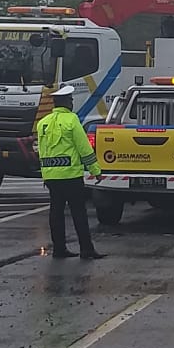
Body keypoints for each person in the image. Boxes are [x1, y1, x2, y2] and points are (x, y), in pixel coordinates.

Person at [36, 85, 105, 260]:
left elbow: (43, 151)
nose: (72, 103)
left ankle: (59, 249)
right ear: (67, 102)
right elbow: (84, 149)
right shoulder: (72, 120)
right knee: (78, 213)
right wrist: (96, 171)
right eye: (71, 100)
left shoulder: (43, 123)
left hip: (51, 176)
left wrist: (45, 174)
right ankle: (86, 249)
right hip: (71, 176)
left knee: (56, 213)